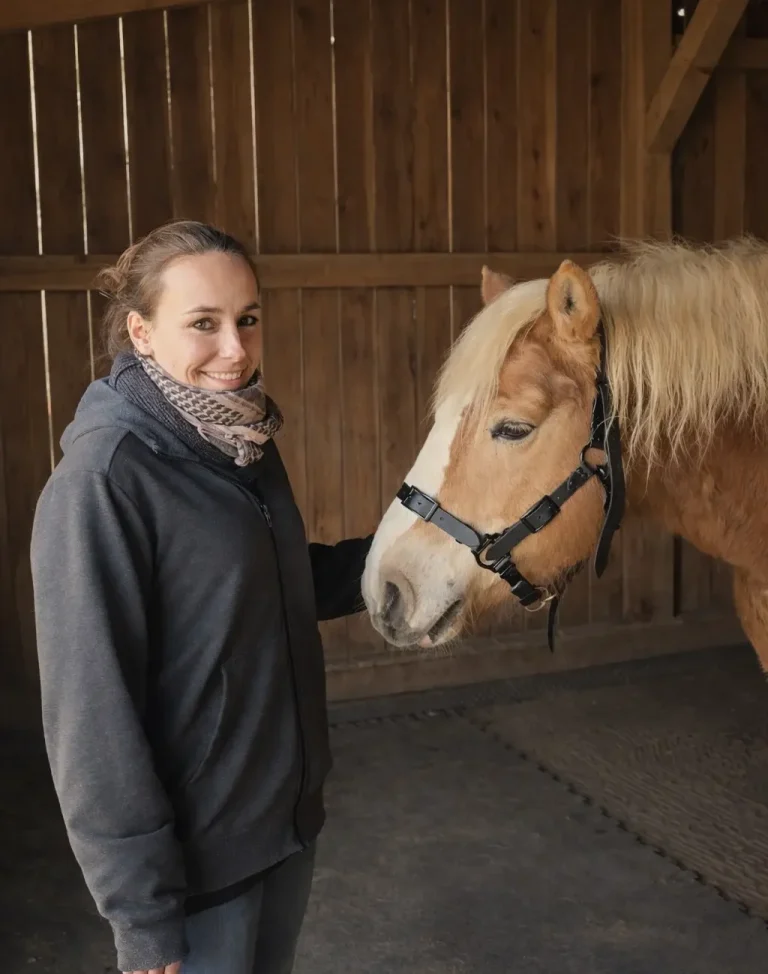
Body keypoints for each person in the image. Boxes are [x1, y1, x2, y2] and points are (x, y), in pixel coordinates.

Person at [30, 220, 372, 974]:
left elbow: (268, 586)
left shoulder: (240, 439)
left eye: (247, 319)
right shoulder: (103, 482)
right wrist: (142, 913)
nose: (235, 350)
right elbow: (92, 714)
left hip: (281, 830)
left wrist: (405, 560)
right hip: (195, 873)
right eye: (204, 324)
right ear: (141, 333)